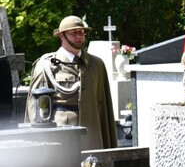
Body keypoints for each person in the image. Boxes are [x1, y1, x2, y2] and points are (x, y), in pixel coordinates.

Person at [26, 16, 117, 150]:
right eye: (73, 33)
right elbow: (35, 107)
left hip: (92, 133)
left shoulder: (96, 64)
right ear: (61, 36)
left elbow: (104, 105)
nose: (79, 36)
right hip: (61, 136)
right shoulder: (46, 65)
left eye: (81, 32)